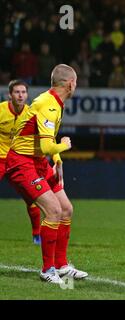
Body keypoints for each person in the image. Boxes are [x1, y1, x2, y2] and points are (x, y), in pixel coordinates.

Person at [6, 64, 88, 284]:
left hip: (38, 161)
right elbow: (48, 146)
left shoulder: (54, 102)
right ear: (70, 84)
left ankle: (61, 265)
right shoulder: (49, 104)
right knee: (53, 210)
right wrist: (62, 147)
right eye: (76, 82)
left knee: (66, 210)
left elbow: (45, 142)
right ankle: (47, 269)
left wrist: (57, 160)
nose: (76, 86)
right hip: (21, 162)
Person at [0, 80, 41, 245]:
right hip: (1, 158)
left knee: (32, 197)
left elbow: (40, 138)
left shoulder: (31, 114)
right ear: (10, 95)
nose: (20, 95)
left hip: (19, 160)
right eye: (17, 92)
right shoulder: (1, 110)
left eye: (23, 92)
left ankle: (37, 234)